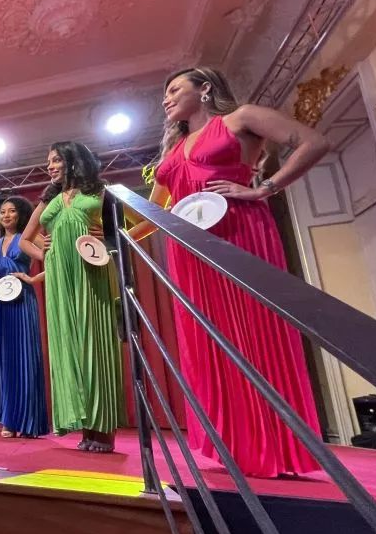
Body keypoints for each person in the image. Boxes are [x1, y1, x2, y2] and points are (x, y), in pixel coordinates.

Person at [133, 66, 328, 477]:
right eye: (165, 93)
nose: (166, 99)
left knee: (253, 331)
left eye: (174, 89)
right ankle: (236, 444)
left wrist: (263, 188)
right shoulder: (174, 150)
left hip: (238, 231)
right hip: (188, 249)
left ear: (205, 88)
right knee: (208, 340)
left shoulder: (241, 118)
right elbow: (155, 211)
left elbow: (314, 142)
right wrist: (115, 239)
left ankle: (275, 445)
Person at [23, 141, 126, 452]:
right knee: (68, 346)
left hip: (91, 272)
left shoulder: (101, 191)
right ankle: (85, 427)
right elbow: (25, 240)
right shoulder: (49, 199)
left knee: (95, 344)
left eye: (56, 160)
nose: (50, 166)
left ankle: (103, 430)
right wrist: (44, 251)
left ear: (73, 160)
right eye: (49, 161)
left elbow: (126, 231)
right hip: (58, 276)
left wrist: (109, 242)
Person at [0, 196, 48, 438]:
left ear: (21, 215)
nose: (6, 215)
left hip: (22, 301)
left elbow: (53, 260)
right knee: (4, 360)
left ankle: (28, 421)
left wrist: (32, 278)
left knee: (24, 357)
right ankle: (8, 420)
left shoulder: (30, 238)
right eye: (2, 212)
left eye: (11, 211)